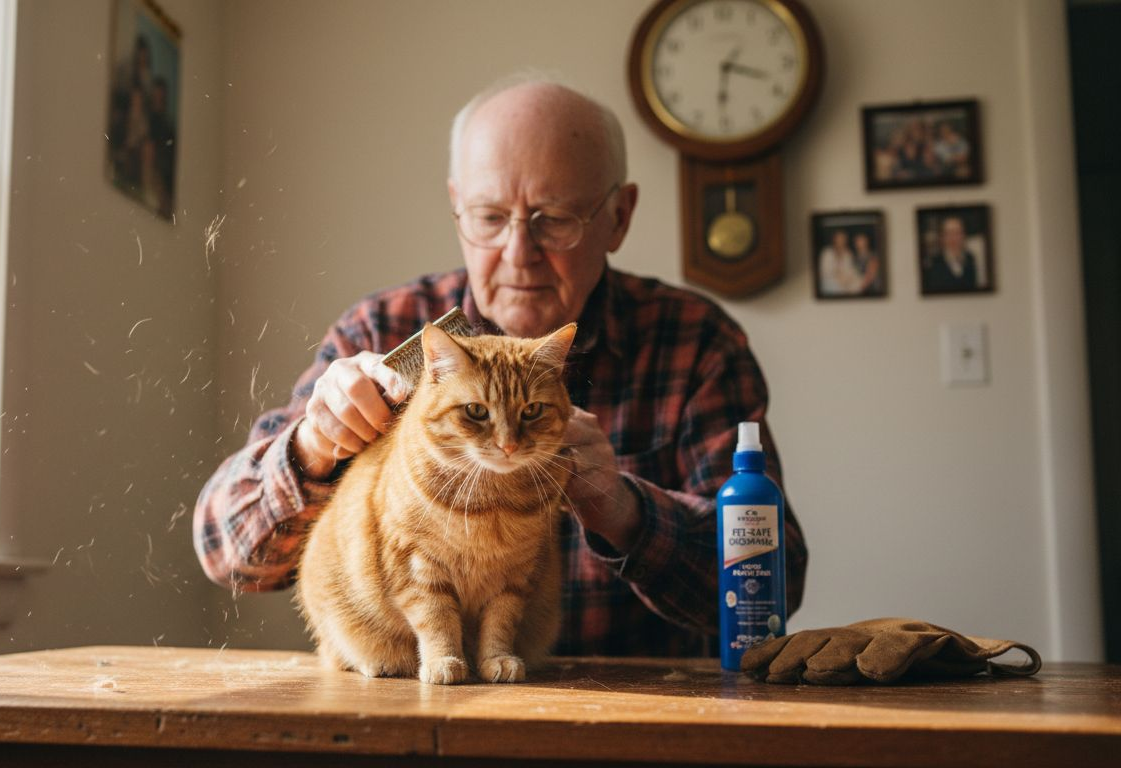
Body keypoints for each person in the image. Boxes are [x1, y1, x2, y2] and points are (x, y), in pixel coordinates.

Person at [193, 77, 808, 657]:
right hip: (424, 707)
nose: (519, 254)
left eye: (555, 219)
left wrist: (624, 512)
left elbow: (777, 586)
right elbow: (226, 555)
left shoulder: (695, 344)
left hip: (639, 713)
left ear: (618, 216)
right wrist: (312, 447)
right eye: (490, 218)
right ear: (457, 206)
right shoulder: (383, 334)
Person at [923, 216, 979, 293]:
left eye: (957, 233)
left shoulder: (970, 258)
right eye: (949, 233)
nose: (953, 238)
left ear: (963, 235)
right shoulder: (933, 262)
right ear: (942, 237)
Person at [817, 229, 862, 296]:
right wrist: (838, 275)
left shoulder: (848, 253)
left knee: (858, 283)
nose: (841, 241)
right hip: (830, 280)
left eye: (843, 239)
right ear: (834, 240)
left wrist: (847, 277)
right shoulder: (827, 252)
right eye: (839, 239)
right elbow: (825, 271)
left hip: (845, 280)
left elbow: (850, 269)